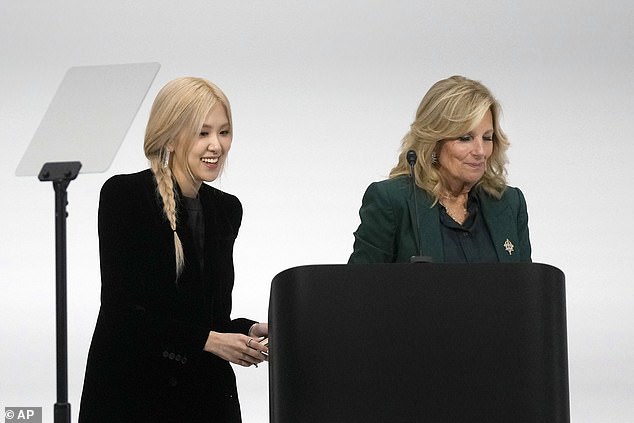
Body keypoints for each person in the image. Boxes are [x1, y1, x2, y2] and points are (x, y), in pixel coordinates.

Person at [79, 77, 269, 423]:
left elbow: (205, 316)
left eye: (224, 132)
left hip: (204, 399)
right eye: (202, 133)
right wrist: (208, 340)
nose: (217, 145)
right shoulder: (125, 196)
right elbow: (123, 313)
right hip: (136, 397)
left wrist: (246, 330)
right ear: (170, 136)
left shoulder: (227, 209)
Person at [349, 75, 531, 264]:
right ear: (434, 143)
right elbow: (358, 289)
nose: (480, 151)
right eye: (465, 138)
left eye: (487, 138)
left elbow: (526, 287)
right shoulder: (392, 202)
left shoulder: (509, 203)